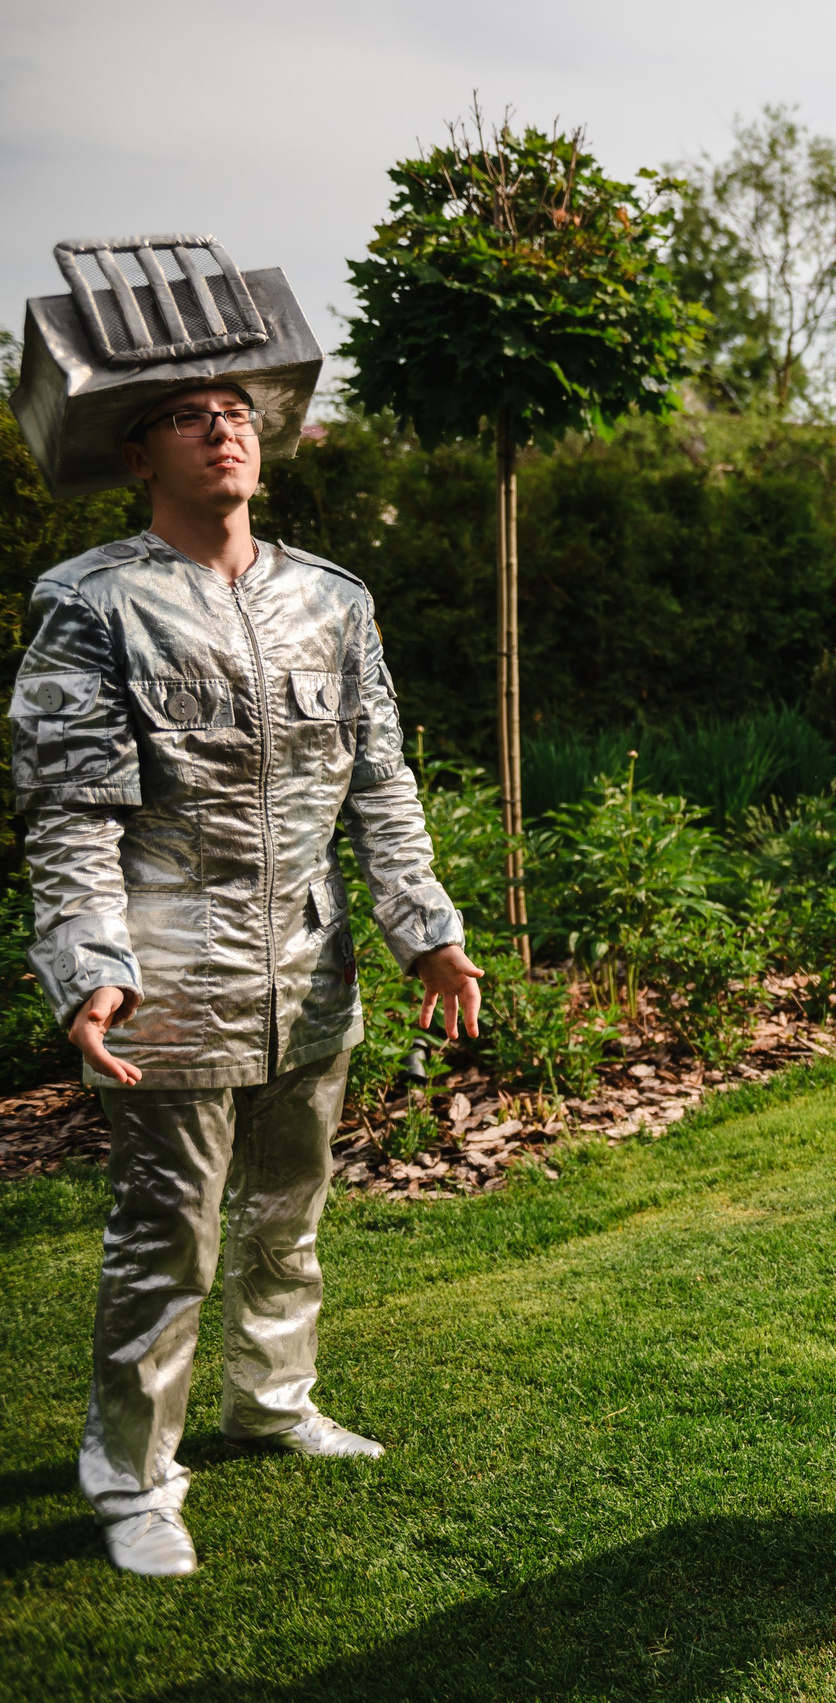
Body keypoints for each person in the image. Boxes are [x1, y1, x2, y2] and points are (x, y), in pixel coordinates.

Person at [12, 382, 480, 1578]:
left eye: (236, 410)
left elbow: (379, 782)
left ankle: (272, 1401)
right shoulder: (92, 602)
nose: (223, 429)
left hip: (309, 969)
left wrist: (425, 927)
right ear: (137, 456)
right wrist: (89, 965)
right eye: (188, 416)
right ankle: (134, 1479)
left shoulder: (334, 599)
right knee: (166, 1238)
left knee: (288, 1217)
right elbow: (68, 811)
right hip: (169, 977)